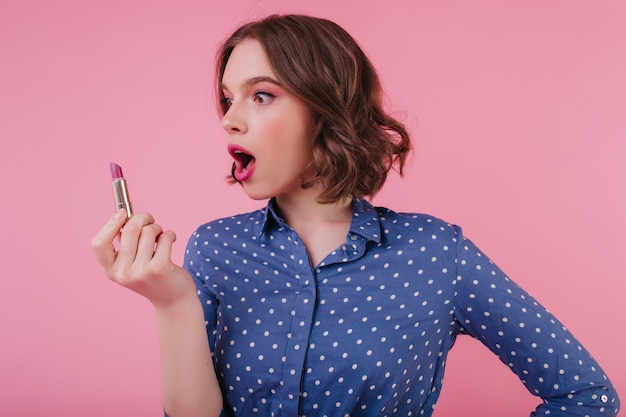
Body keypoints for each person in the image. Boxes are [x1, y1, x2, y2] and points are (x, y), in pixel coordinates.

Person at [91, 14, 620, 417]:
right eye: (227, 99)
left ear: (327, 108)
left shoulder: (436, 253)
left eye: (261, 95)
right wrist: (174, 303)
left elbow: (586, 394)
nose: (229, 119)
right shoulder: (215, 248)